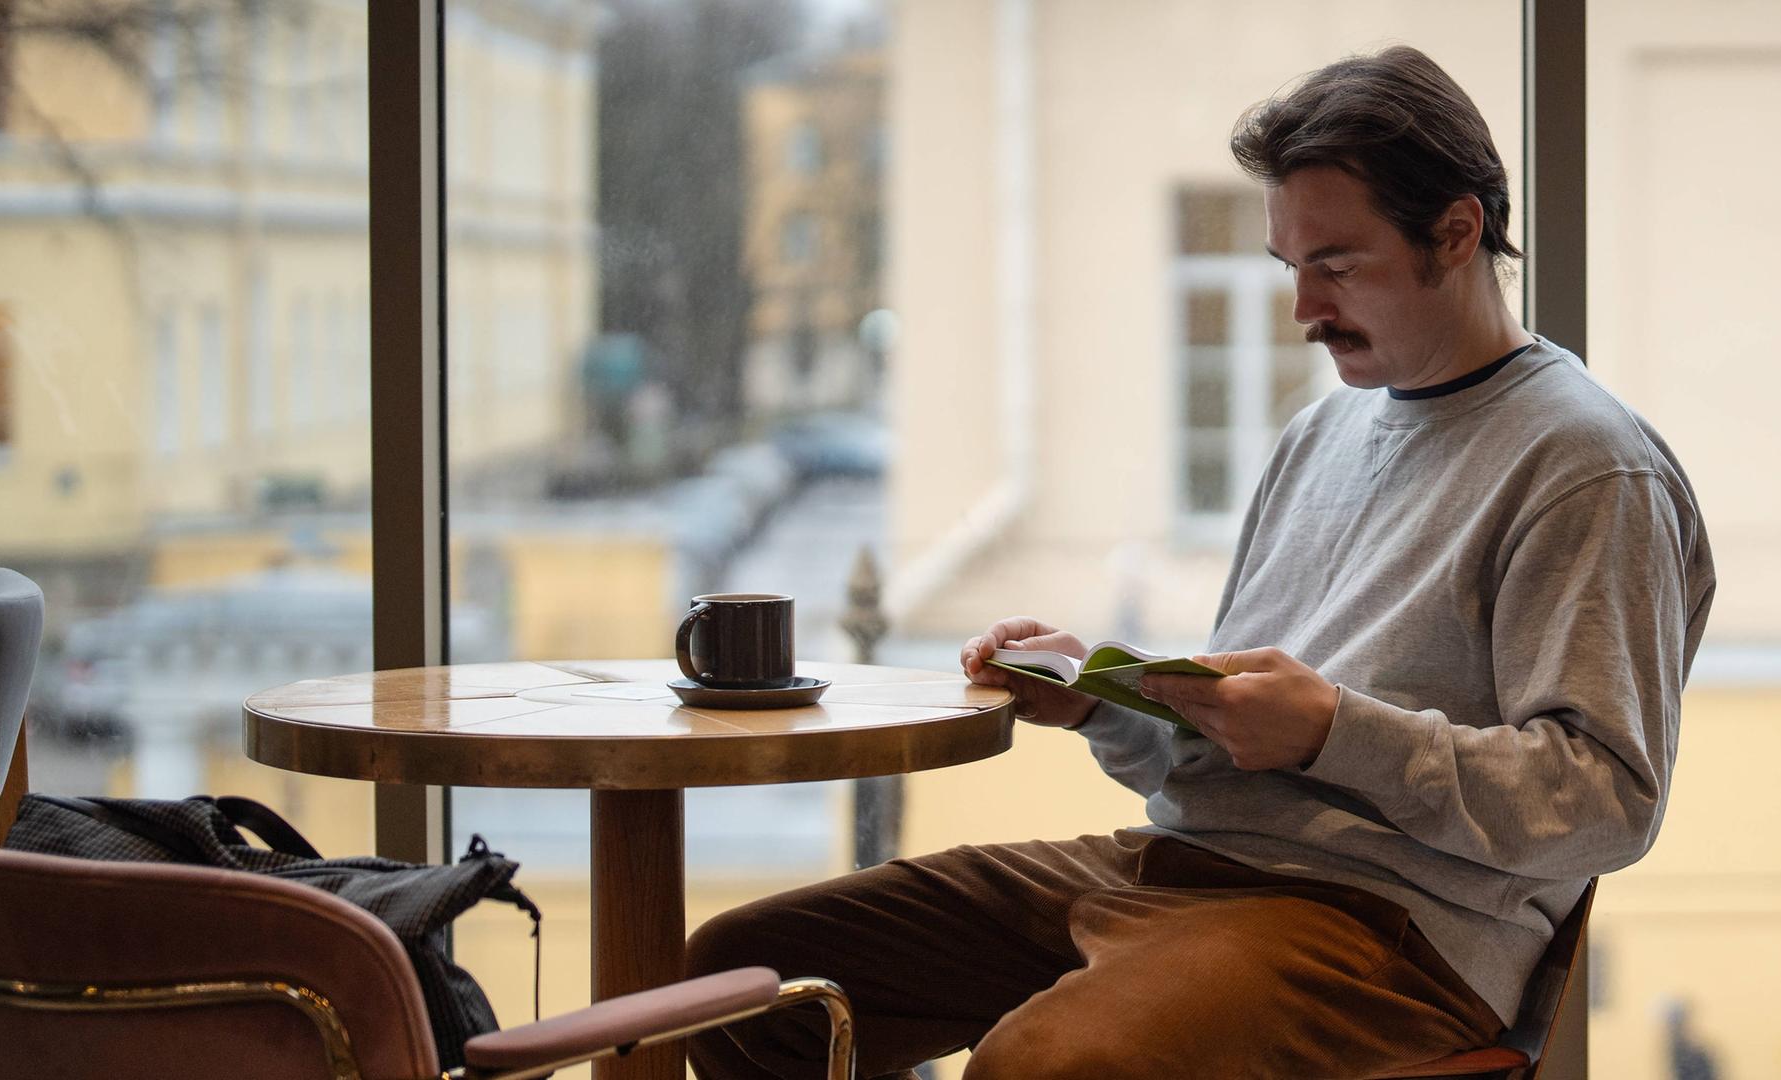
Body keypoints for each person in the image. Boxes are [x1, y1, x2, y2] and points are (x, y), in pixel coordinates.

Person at [687, 44, 1716, 1079]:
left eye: (1337, 265)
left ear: (1457, 232)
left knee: (1045, 1065)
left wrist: (1334, 734)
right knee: (740, 983)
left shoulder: (1588, 467)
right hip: (1182, 868)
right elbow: (1243, 742)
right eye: (1288, 266)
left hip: (1391, 934)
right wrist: (1105, 699)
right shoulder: (1321, 436)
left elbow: (1603, 801)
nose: (1303, 308)